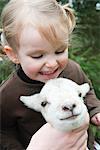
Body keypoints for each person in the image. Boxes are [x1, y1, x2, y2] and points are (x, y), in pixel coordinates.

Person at [0, 0, 100, 149]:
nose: (52, 63)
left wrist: (95, 110)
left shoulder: (72, 70)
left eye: (59, 51)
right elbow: (3, 130)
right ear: (14, 54)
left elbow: (87, 91)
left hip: (84, 145)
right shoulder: (7, 95)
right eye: (38, 56)